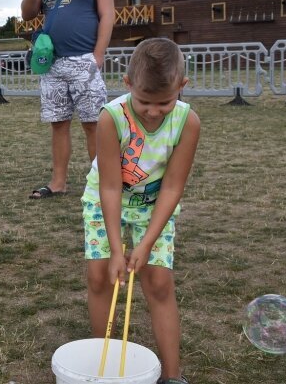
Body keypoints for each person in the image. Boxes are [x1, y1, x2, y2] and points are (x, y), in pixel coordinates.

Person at [82, 38, 200, 384]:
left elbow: (172, 187)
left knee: (159, 282)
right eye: (144, 101)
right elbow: (109, 186)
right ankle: (104, 366)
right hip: (106, 200)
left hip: (155, 206)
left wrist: (146, 243)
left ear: (182, 86)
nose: (152, 111)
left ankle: (173, 375)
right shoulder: (111, 118)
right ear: (128, 84)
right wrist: (118, 249)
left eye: (164, 102)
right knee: (101, 276)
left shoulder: (187, 122)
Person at [21, 0, 114, 199]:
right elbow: (27, 14)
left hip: (83, 60)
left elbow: (107, 15)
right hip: (52, 63)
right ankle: (58, 182)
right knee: (58, 123)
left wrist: (98, 56)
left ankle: (101, 183)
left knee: (93, 124)